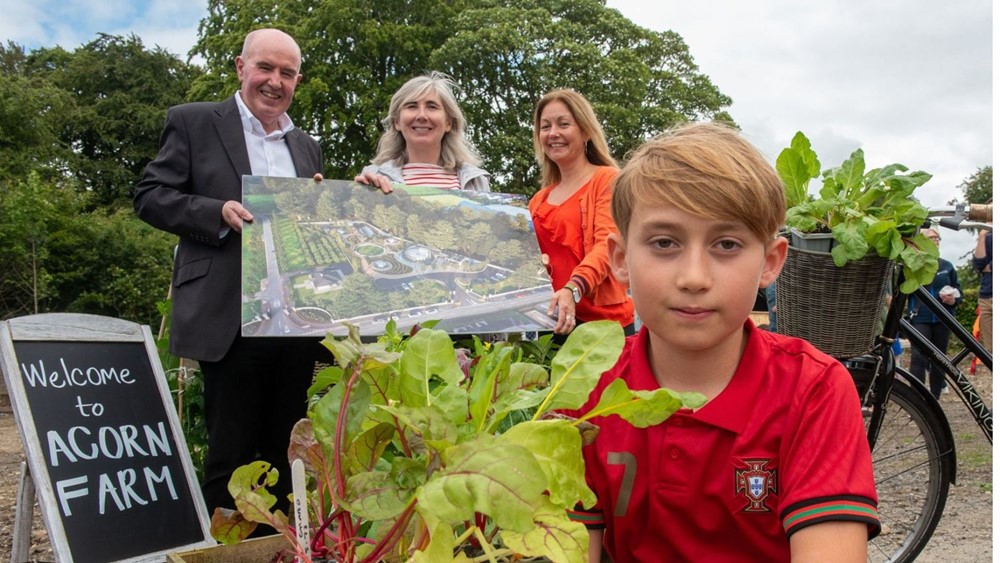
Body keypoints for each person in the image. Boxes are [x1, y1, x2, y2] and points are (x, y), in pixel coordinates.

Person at [567, 122, 879, 562]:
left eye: (727, 244)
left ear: (771, 262)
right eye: (664, 242)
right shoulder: (582, 393)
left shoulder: (814, 391)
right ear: (620, 260)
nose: (694, 277)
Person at [134, 28, 326, 521]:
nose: (274, 81)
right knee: (231, 452)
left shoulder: (306, 147)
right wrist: (215, 212)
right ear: (241, 68)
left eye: (286, 73)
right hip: (229, 313)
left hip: (293, 320)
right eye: (265, 68)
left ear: (297, 80)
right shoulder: (194, 122)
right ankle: (227, 549)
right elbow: (151, 196)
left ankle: (283, 549)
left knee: (287, 451)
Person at [528, 89, 634, 336]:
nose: (553, 133)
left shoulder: (607, 180)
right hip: (551, 326)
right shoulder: (537, 201)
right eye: (545, 127)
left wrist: (572, 289)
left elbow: (607, 247)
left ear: (586, 131)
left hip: (602, 329)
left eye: (563, 124)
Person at [354, 71, 489, 193]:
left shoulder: (474, 180)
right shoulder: (373, 177)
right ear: (397, 122)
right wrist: (358, 196)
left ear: (448, 122)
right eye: (412, 106)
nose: (422, 116)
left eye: (432, 107)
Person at [908, 227, 961, 398]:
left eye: (937, 238)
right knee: (918, 357)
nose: (935, 240)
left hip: (943, 318)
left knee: (939, 359)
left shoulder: (947, 266)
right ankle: (917, 397)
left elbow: (959, 291)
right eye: (931, 238)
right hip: (920, 318)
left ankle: (934, 398)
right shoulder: (914, 265)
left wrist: (953, 300)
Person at [973, 228, 992, 356]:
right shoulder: (989, 237)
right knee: (991, 350)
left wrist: (990, 266)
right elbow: (979, 264)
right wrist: (982, 235)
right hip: (987, 295)